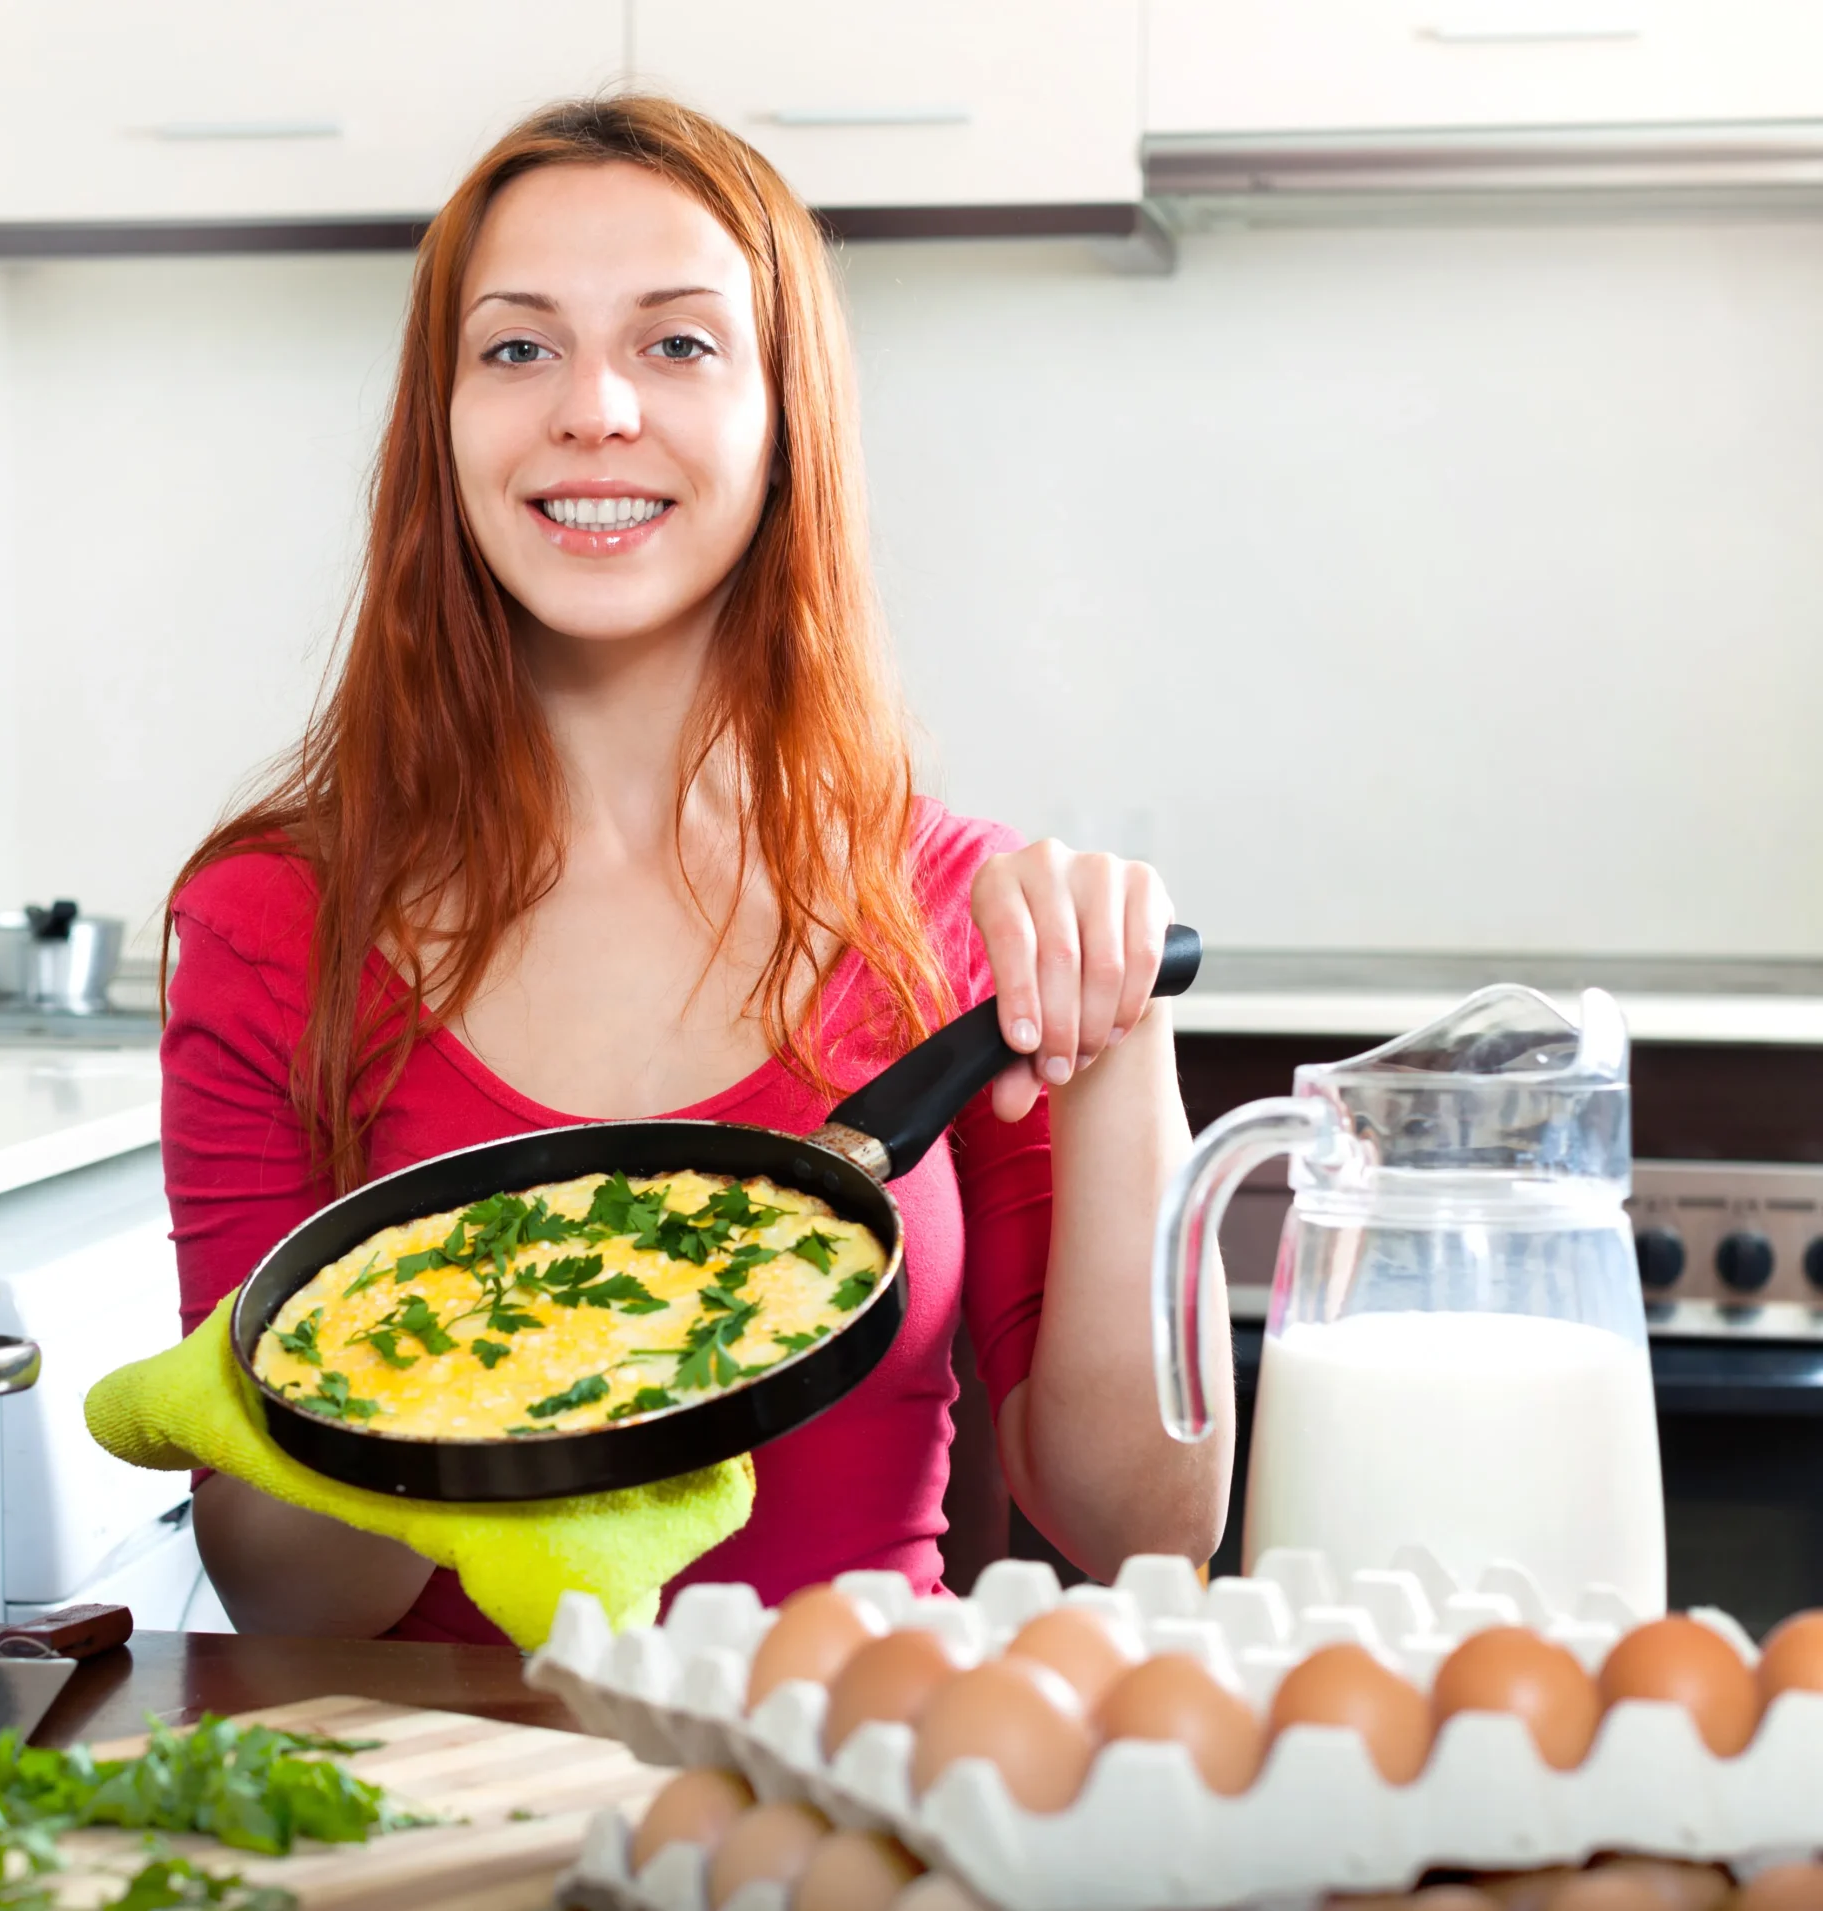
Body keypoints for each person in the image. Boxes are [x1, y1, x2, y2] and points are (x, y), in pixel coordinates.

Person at [160, 95, 1230, 1641]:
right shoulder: (271, 924)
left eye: (678, 344)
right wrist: (493, 1329)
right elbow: (279, 1588)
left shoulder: (962, 917)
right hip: (451, 1827)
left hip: (855, 1807)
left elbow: (1145, 1523)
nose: (593, 408)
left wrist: (1121, 1050)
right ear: (440, 421)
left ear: (785, 414)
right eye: (517, 347)